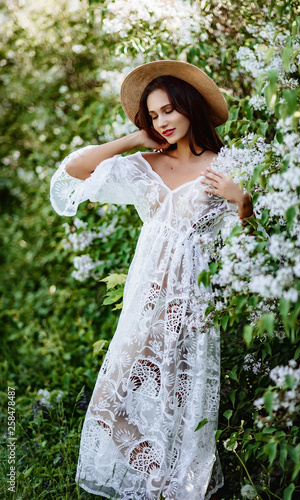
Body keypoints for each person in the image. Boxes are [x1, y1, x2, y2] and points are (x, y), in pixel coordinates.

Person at [50, 60, 253, 500]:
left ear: (190, 107)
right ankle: (165, 486)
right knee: (107, 405)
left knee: (176, 413)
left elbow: (262, 246)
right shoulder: (145, 165)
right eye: (153, 114)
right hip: (146, 304)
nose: (162, 121)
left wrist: (243, 203)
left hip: (189, 306)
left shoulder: (229, 166)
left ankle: (177, 488)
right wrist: (133, 138)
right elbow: (73, 172)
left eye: (168, 111)